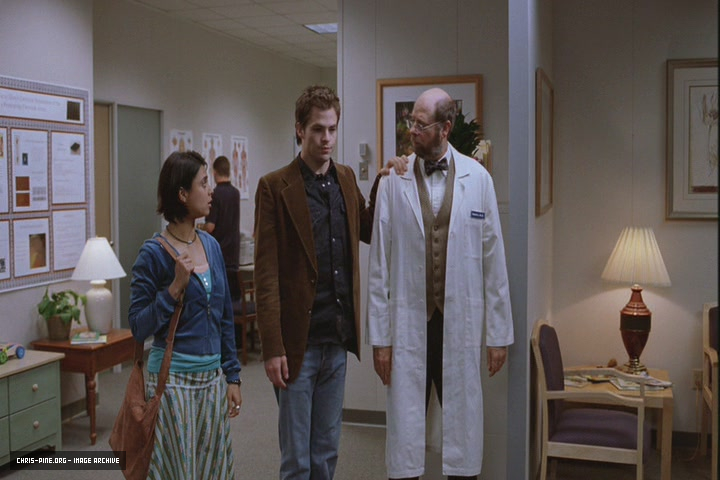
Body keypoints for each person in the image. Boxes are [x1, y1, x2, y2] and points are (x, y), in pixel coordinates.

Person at [254, 85, 401, 479]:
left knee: (325, 453)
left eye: (332, 129)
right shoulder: (275, 187)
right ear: (299, 129)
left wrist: (383, 182)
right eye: (318, 129)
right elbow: (265, 275)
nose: (326, 139)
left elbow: (368, 229)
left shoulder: (346, 179)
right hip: (296, 345)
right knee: (297, 461)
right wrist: (272, 347)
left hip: (337, 338)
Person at [366, 88, 514, 480]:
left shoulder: (478, 180)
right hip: (409, 323)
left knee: (462, 426)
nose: (411, 131)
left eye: (420, 124)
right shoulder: (393, 182)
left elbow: (493, 261)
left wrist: (498, 335)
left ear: (445, 129)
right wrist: (380, 340)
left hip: (459, 323)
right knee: (405, 431)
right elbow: (379, 265)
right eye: (410, 122)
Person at [128, 150, 242, 479]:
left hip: (211, 382)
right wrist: (174, 288)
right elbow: (138, 327)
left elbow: (224, 318)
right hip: (171, 385)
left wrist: (232, 376)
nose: (211, 191)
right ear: (182, 194)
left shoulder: (211, 246)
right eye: (203, 184)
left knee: (212, 472)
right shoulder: (153, 253)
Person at [205, 155, 241, 300]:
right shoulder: (235, 193)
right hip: (234, 252)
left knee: (220, 298)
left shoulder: (215, 195)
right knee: (234, 298)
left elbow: (210, 227)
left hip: (219, 252)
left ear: (214, 173)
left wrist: (199, 228)